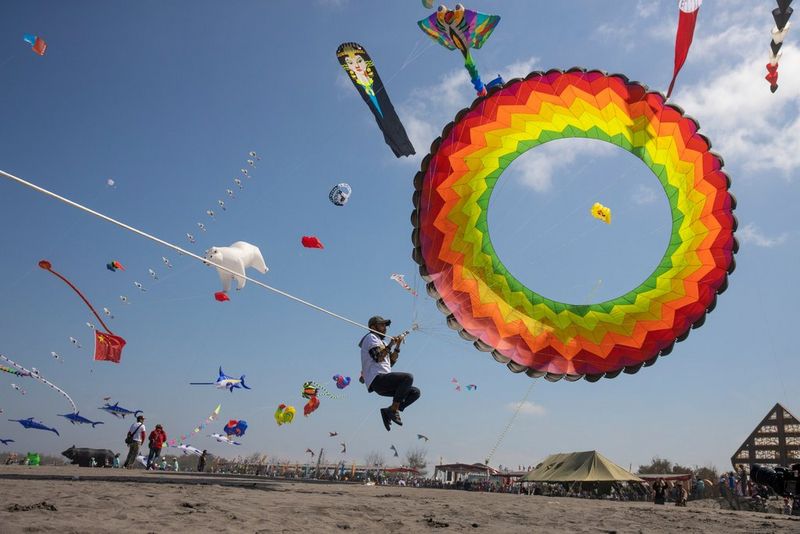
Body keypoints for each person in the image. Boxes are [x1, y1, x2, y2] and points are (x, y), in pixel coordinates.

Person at [358, 315, 421, 431]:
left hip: (384, 382)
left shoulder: (381, 342)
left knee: (415, 392)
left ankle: (391, 409)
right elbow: (378, 357)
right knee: (408, 378)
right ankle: (393, 410)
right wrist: (390, 345)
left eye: (385, 325)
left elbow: (390, 362)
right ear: (373, 327)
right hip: (377, 380)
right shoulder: (371, 337)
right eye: (382, 325)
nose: (385, 328)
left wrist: (397, 346)